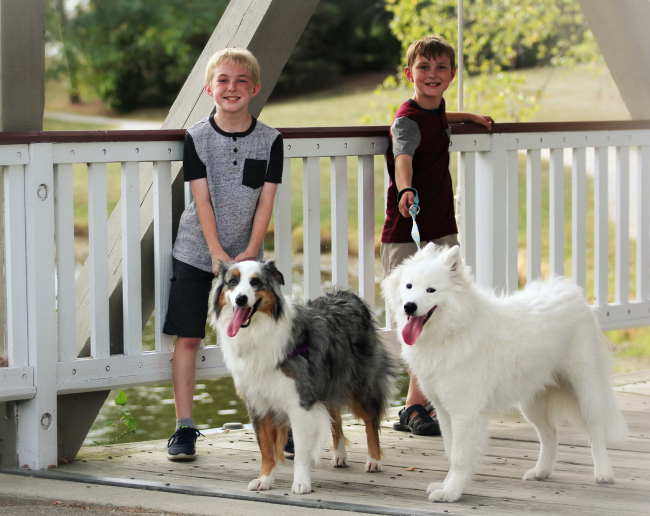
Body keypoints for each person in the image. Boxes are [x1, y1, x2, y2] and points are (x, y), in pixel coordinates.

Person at [164, 48, 283, 460]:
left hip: (248, 262)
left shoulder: (272, 141)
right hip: (198, 252)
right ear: (208, 88)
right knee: (189, 338)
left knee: (262, 341)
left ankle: (276, 424)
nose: (231, 88)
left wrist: (248, 255)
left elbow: (265, 203)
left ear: (254, 88)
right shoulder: (197, 137)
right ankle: (183, 427)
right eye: (223, 81)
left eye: (239, 81)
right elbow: (202, 199)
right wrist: (217, 253)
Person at [380, 35, 493, 436]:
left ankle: (422, 401)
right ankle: (412, 406)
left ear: (451, 75)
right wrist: (406, 189)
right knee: (414, 321)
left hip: (440, 228)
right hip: (408, 232)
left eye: (441, 68)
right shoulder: (406, 119)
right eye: (423, 68)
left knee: (443, 314)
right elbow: (403, 157)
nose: (432, 75)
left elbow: (439, 119)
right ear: (409, 74)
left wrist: (468, 118)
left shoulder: (436, 111)